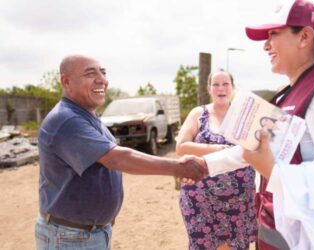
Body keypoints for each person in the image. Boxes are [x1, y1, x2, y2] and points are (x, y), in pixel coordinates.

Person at [200, 1, 314, 249]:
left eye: (273, 34)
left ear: (304, 37)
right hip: (282, 231)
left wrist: (274, 170)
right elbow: (258, 147)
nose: (265, 45)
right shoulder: (290, 92)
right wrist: (204, 165)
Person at [35, 55, 208, 250]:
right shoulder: (66, 120)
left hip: (88, 233)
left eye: (103, 72)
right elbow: (116, 158)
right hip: (70, 237)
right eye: (90, 73)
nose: (102, 80)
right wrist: (177, 168)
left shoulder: (87, 116)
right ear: (66, 82)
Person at [176, 70, 257, 250]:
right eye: (216, 84)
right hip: (201, 200)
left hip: (240, 200)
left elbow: (257, 148)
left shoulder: (244, 115)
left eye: (226, 84)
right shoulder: (199, 114)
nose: (221, 88)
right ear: (209, 89)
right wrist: (219, 149)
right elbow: (180, 146)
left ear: (233, 88)